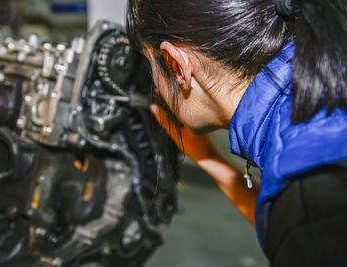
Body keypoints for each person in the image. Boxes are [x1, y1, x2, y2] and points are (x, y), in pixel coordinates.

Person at [126, 0, 347, 266]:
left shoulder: (310, 204)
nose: (157, 88)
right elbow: (286, 230)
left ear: (177, 65)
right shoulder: (311, 99)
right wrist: (211, 160)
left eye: (151, 65)